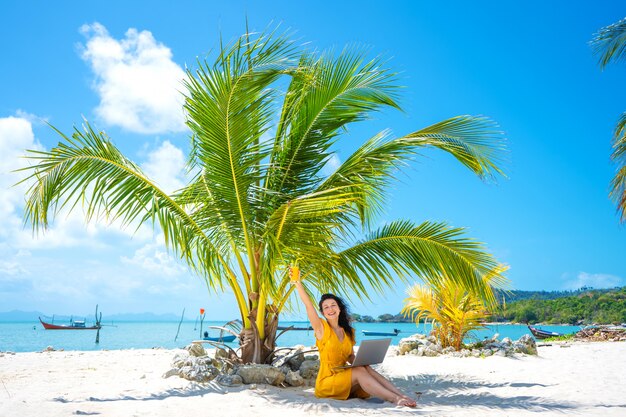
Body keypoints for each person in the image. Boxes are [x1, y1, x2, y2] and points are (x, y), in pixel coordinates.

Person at [290, 266, 417, 407]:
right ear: (322, 312)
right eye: (326, 307)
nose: (330, 309)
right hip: (327, 381)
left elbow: (350, 356)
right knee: (359, 371)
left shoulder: (348, 331)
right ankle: (394, 399)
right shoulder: (322, 328)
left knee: (365, 369)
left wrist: (362, 360)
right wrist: (298, 283)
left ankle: (399, 394)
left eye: (333, 305)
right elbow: (308, 306)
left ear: (339, 308)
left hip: (344, 377)